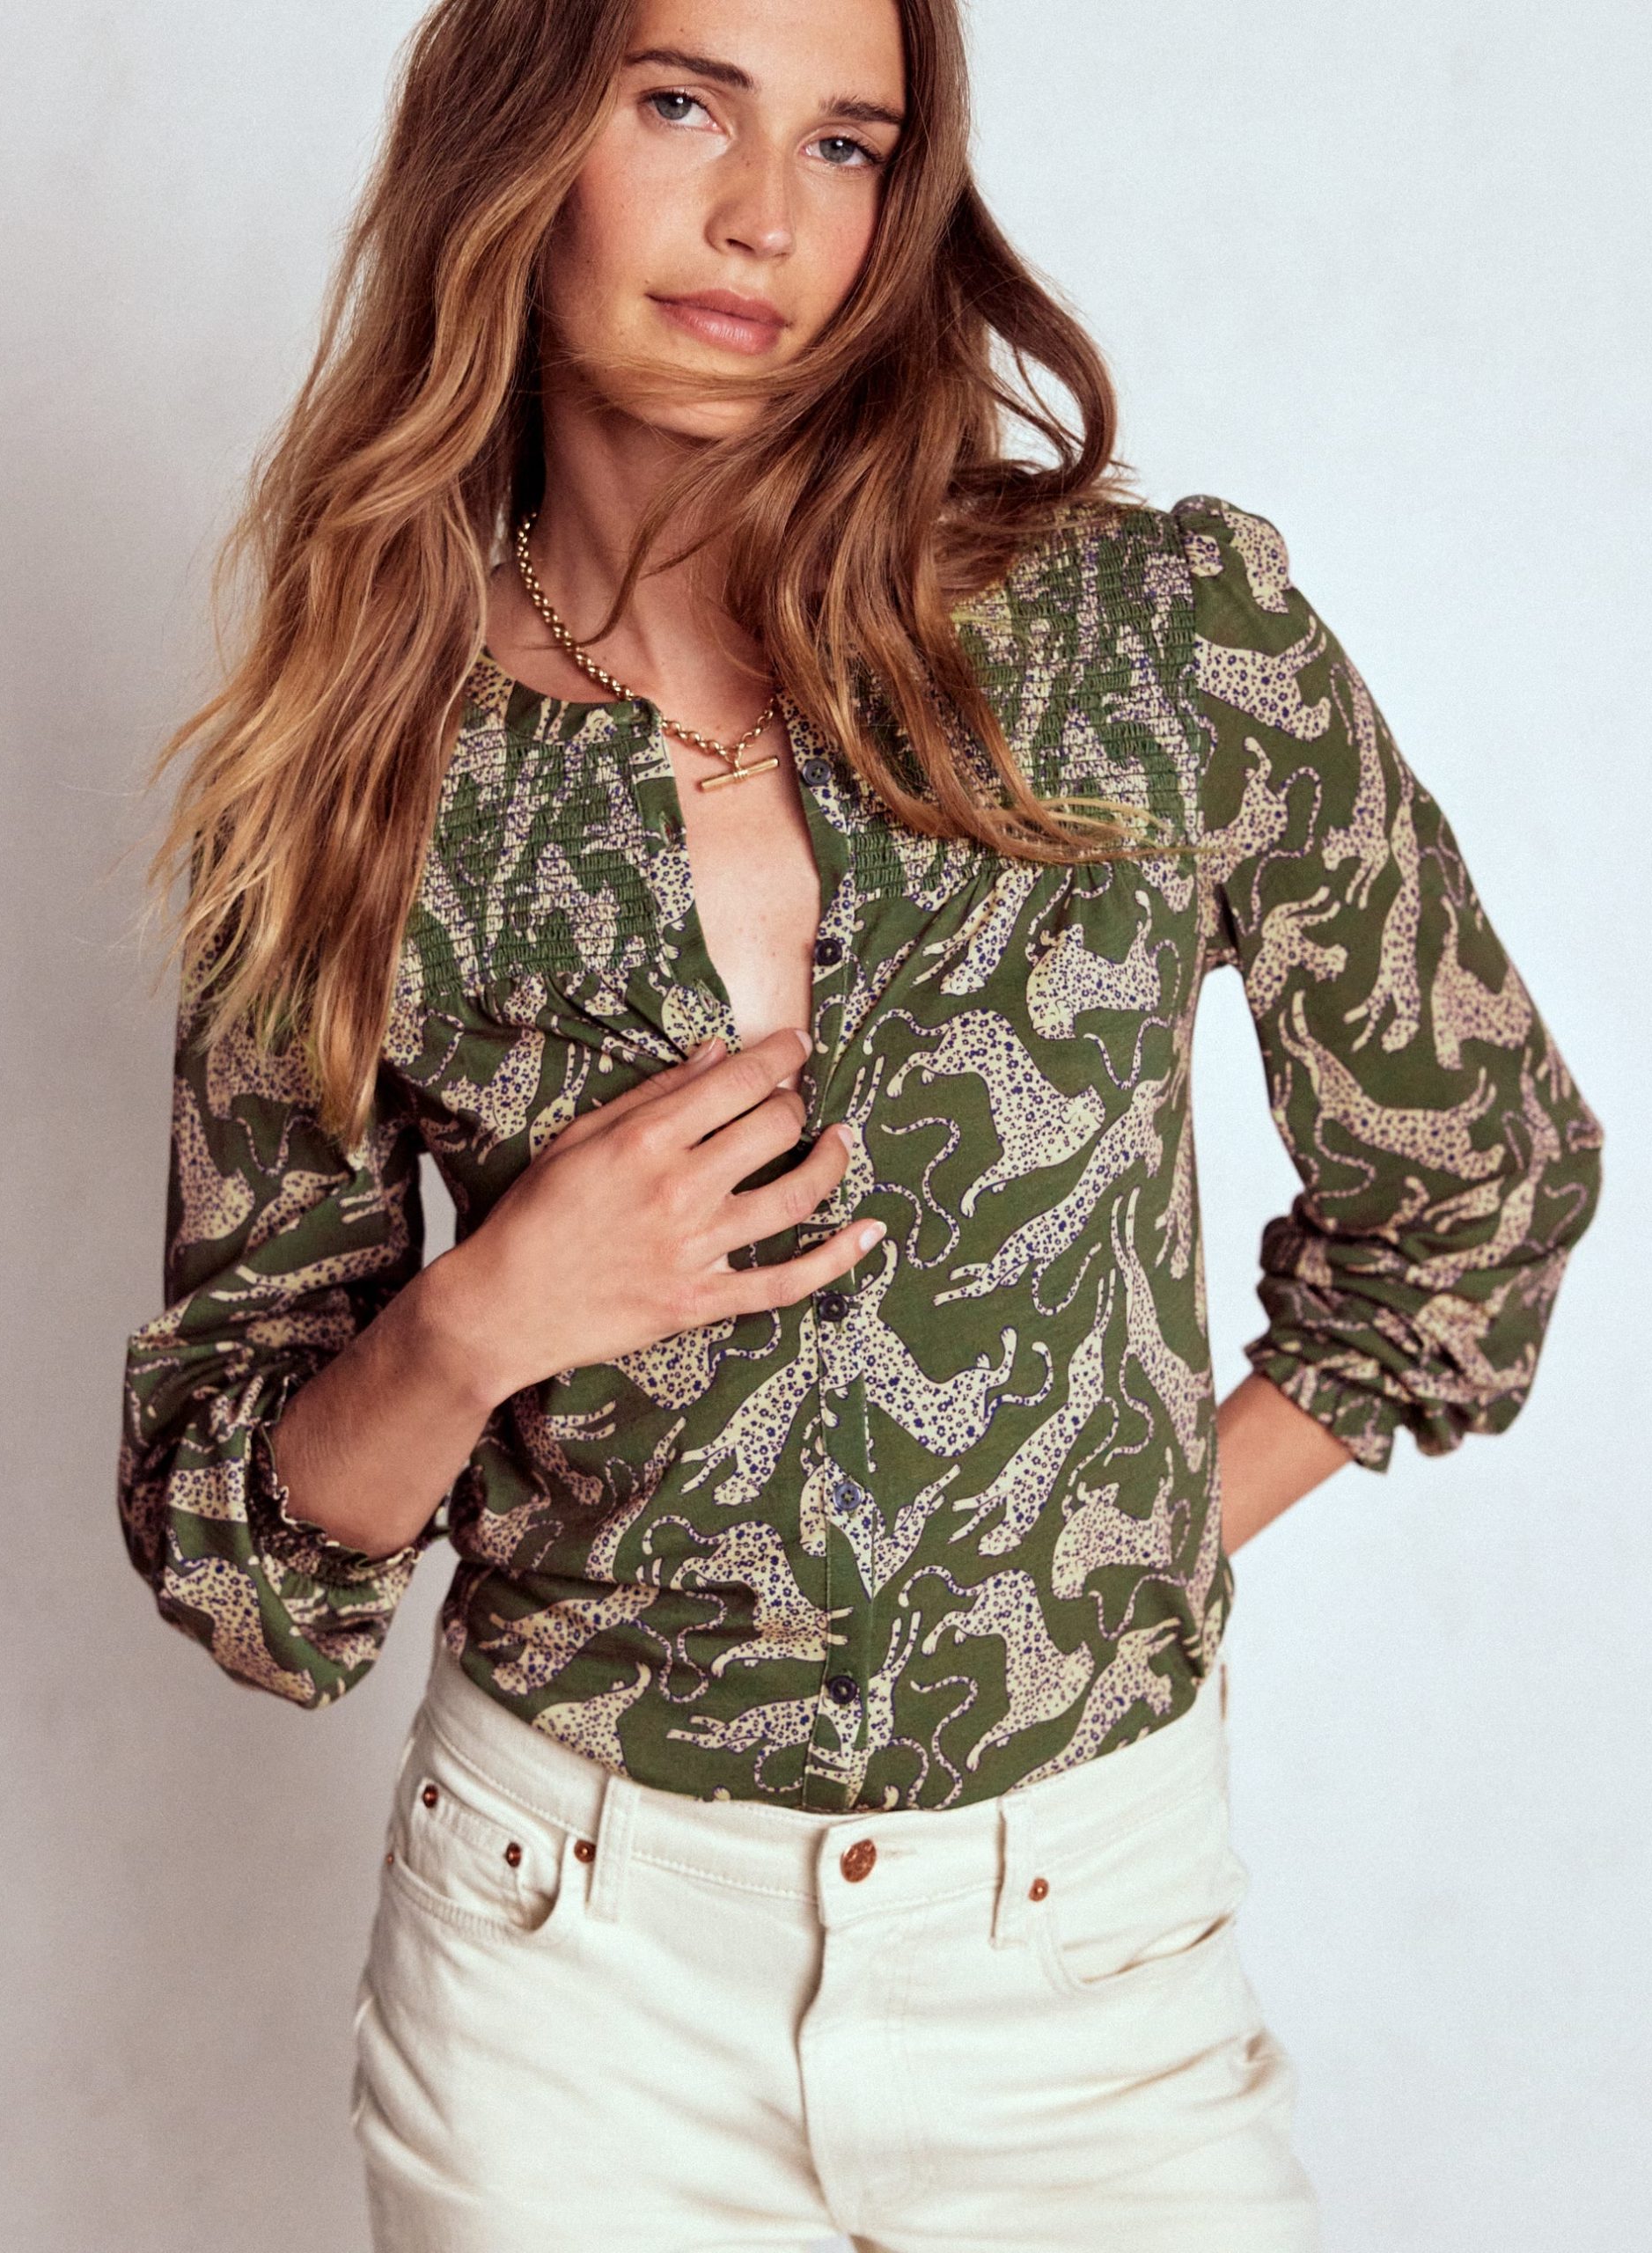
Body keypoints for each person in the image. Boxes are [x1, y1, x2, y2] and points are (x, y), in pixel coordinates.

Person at [117, 1, 1604, 2246]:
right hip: (568, 1987)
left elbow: (1482, 1178)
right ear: (518, 136)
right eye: (682, 104)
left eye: (847, 144)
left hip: (1086, 1959)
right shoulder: (351, 777)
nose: (764, 219)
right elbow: (247, 1563)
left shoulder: (1151, 646)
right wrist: (479, 1317)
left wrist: (1129, 1544)